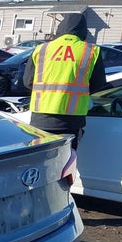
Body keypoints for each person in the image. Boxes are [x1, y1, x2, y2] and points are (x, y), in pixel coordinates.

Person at [23, 13, 107, 149]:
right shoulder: (91, 51)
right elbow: (98, 84)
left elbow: (27, 82)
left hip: (41, 119)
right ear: (83, 31)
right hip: (71, 120)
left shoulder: (42, 49)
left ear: (60, 29)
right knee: (66, 163)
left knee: (39, 163)